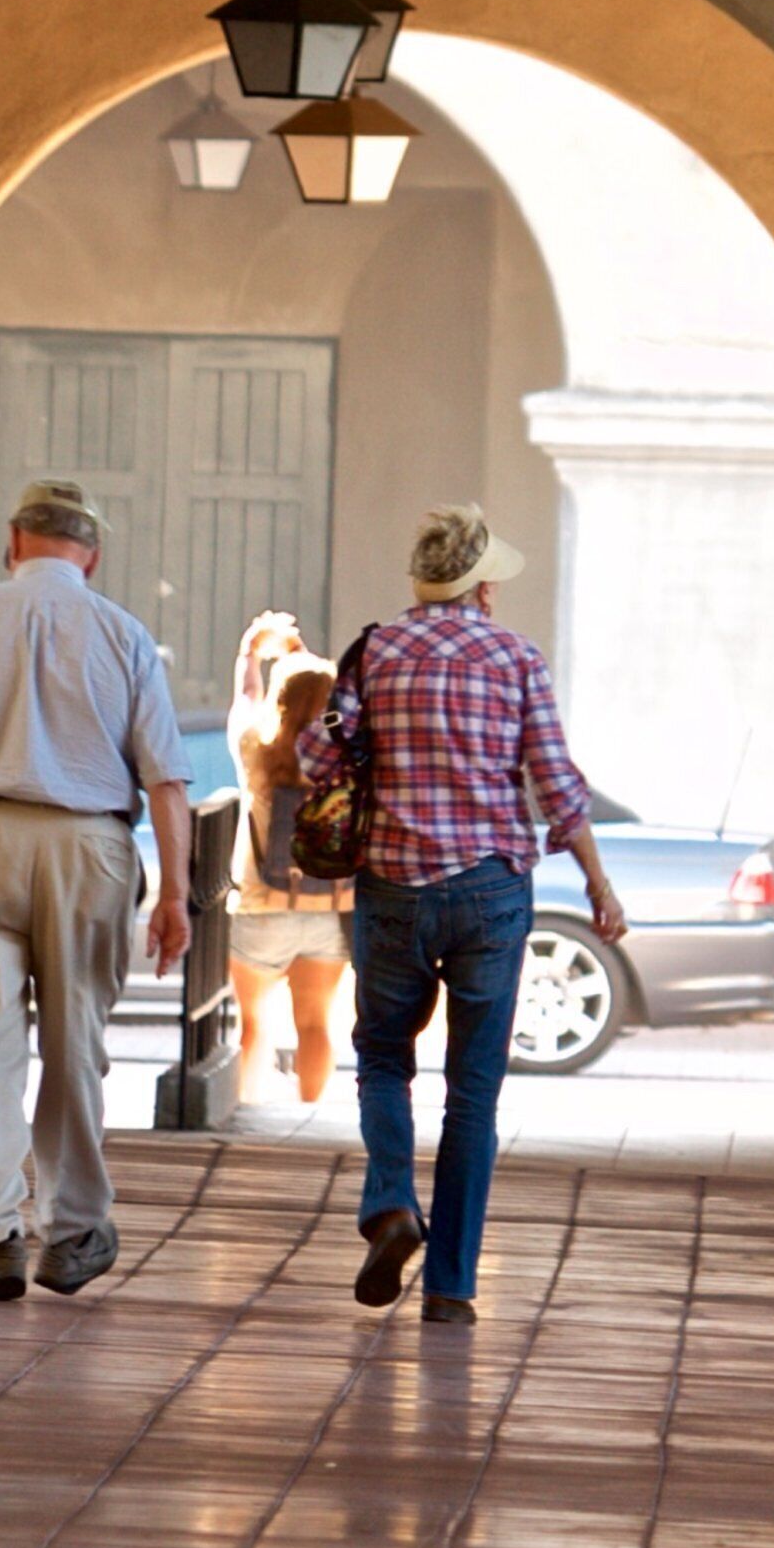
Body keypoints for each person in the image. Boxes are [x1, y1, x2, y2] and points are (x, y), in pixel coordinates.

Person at [301, 507, 626, 1325]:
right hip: (490, 891)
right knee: (473, 1093)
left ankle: (390, 1206)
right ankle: (451, 1288)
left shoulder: (373, 653)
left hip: (393, 887)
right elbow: (555, 781)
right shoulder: (516, 657)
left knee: (382, 1055)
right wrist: (598, 884)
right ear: (483, 587)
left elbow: (315, 756)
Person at [0, 480, 193, 1300]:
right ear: (91, 554)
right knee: (76, 1040)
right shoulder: (124, 632)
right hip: (89, 845)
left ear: (14, 543)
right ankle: (74, 1228)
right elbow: (166, 778)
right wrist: (175, 895)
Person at [224, 614, 352, 1104]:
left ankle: (247, 1112)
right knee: (315, 1025)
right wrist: (303, 652)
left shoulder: (257, 750)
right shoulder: (345, 759)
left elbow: (245, 702)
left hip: (261, 906)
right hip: (329, 910)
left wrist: (251, 654)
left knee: (253, 1027)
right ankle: (309, 1117)